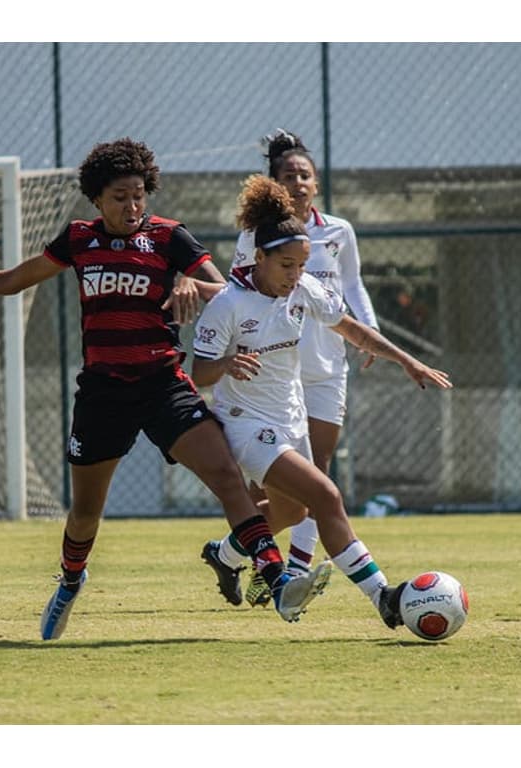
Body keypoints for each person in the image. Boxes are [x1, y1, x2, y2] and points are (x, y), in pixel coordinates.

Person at [0, 137, 329, 639]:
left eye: (140, 194)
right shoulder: (79, 239)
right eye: (120, 196)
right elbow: (19, 277)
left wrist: (191, 285)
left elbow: (229, 291)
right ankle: (71, 580)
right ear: (97, 199)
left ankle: (276, 581)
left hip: (165, 385)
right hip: (103, 394)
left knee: (227, 478)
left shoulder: (169, 238)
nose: (132, 205)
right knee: (84, 513)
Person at [192, 173, 452, 629]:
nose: (295, 276)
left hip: (290, 415)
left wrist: (406, 360)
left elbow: (350, 327)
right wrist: (229, 363)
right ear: (259, 258)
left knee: (294, 511)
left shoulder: (304, 289)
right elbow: (198, 373)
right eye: (286, 265)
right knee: (327, 496)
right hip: (245, 423)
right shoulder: (228, 305)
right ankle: (384, 599)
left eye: (301, 265)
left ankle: (224, 553)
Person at [201, 129, 382, 609]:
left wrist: (382, 340)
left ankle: (232, 553)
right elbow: (239, 295)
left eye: (306, 174)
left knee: (301, 495)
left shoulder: (336, 233)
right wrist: (223, 346)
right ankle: (299, 578)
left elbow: (351, 291)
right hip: (265, 382)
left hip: (321, 371)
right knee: (314, 487)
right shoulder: (254, 249)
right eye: (289, 175)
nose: (298, 182)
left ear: (317, 183)